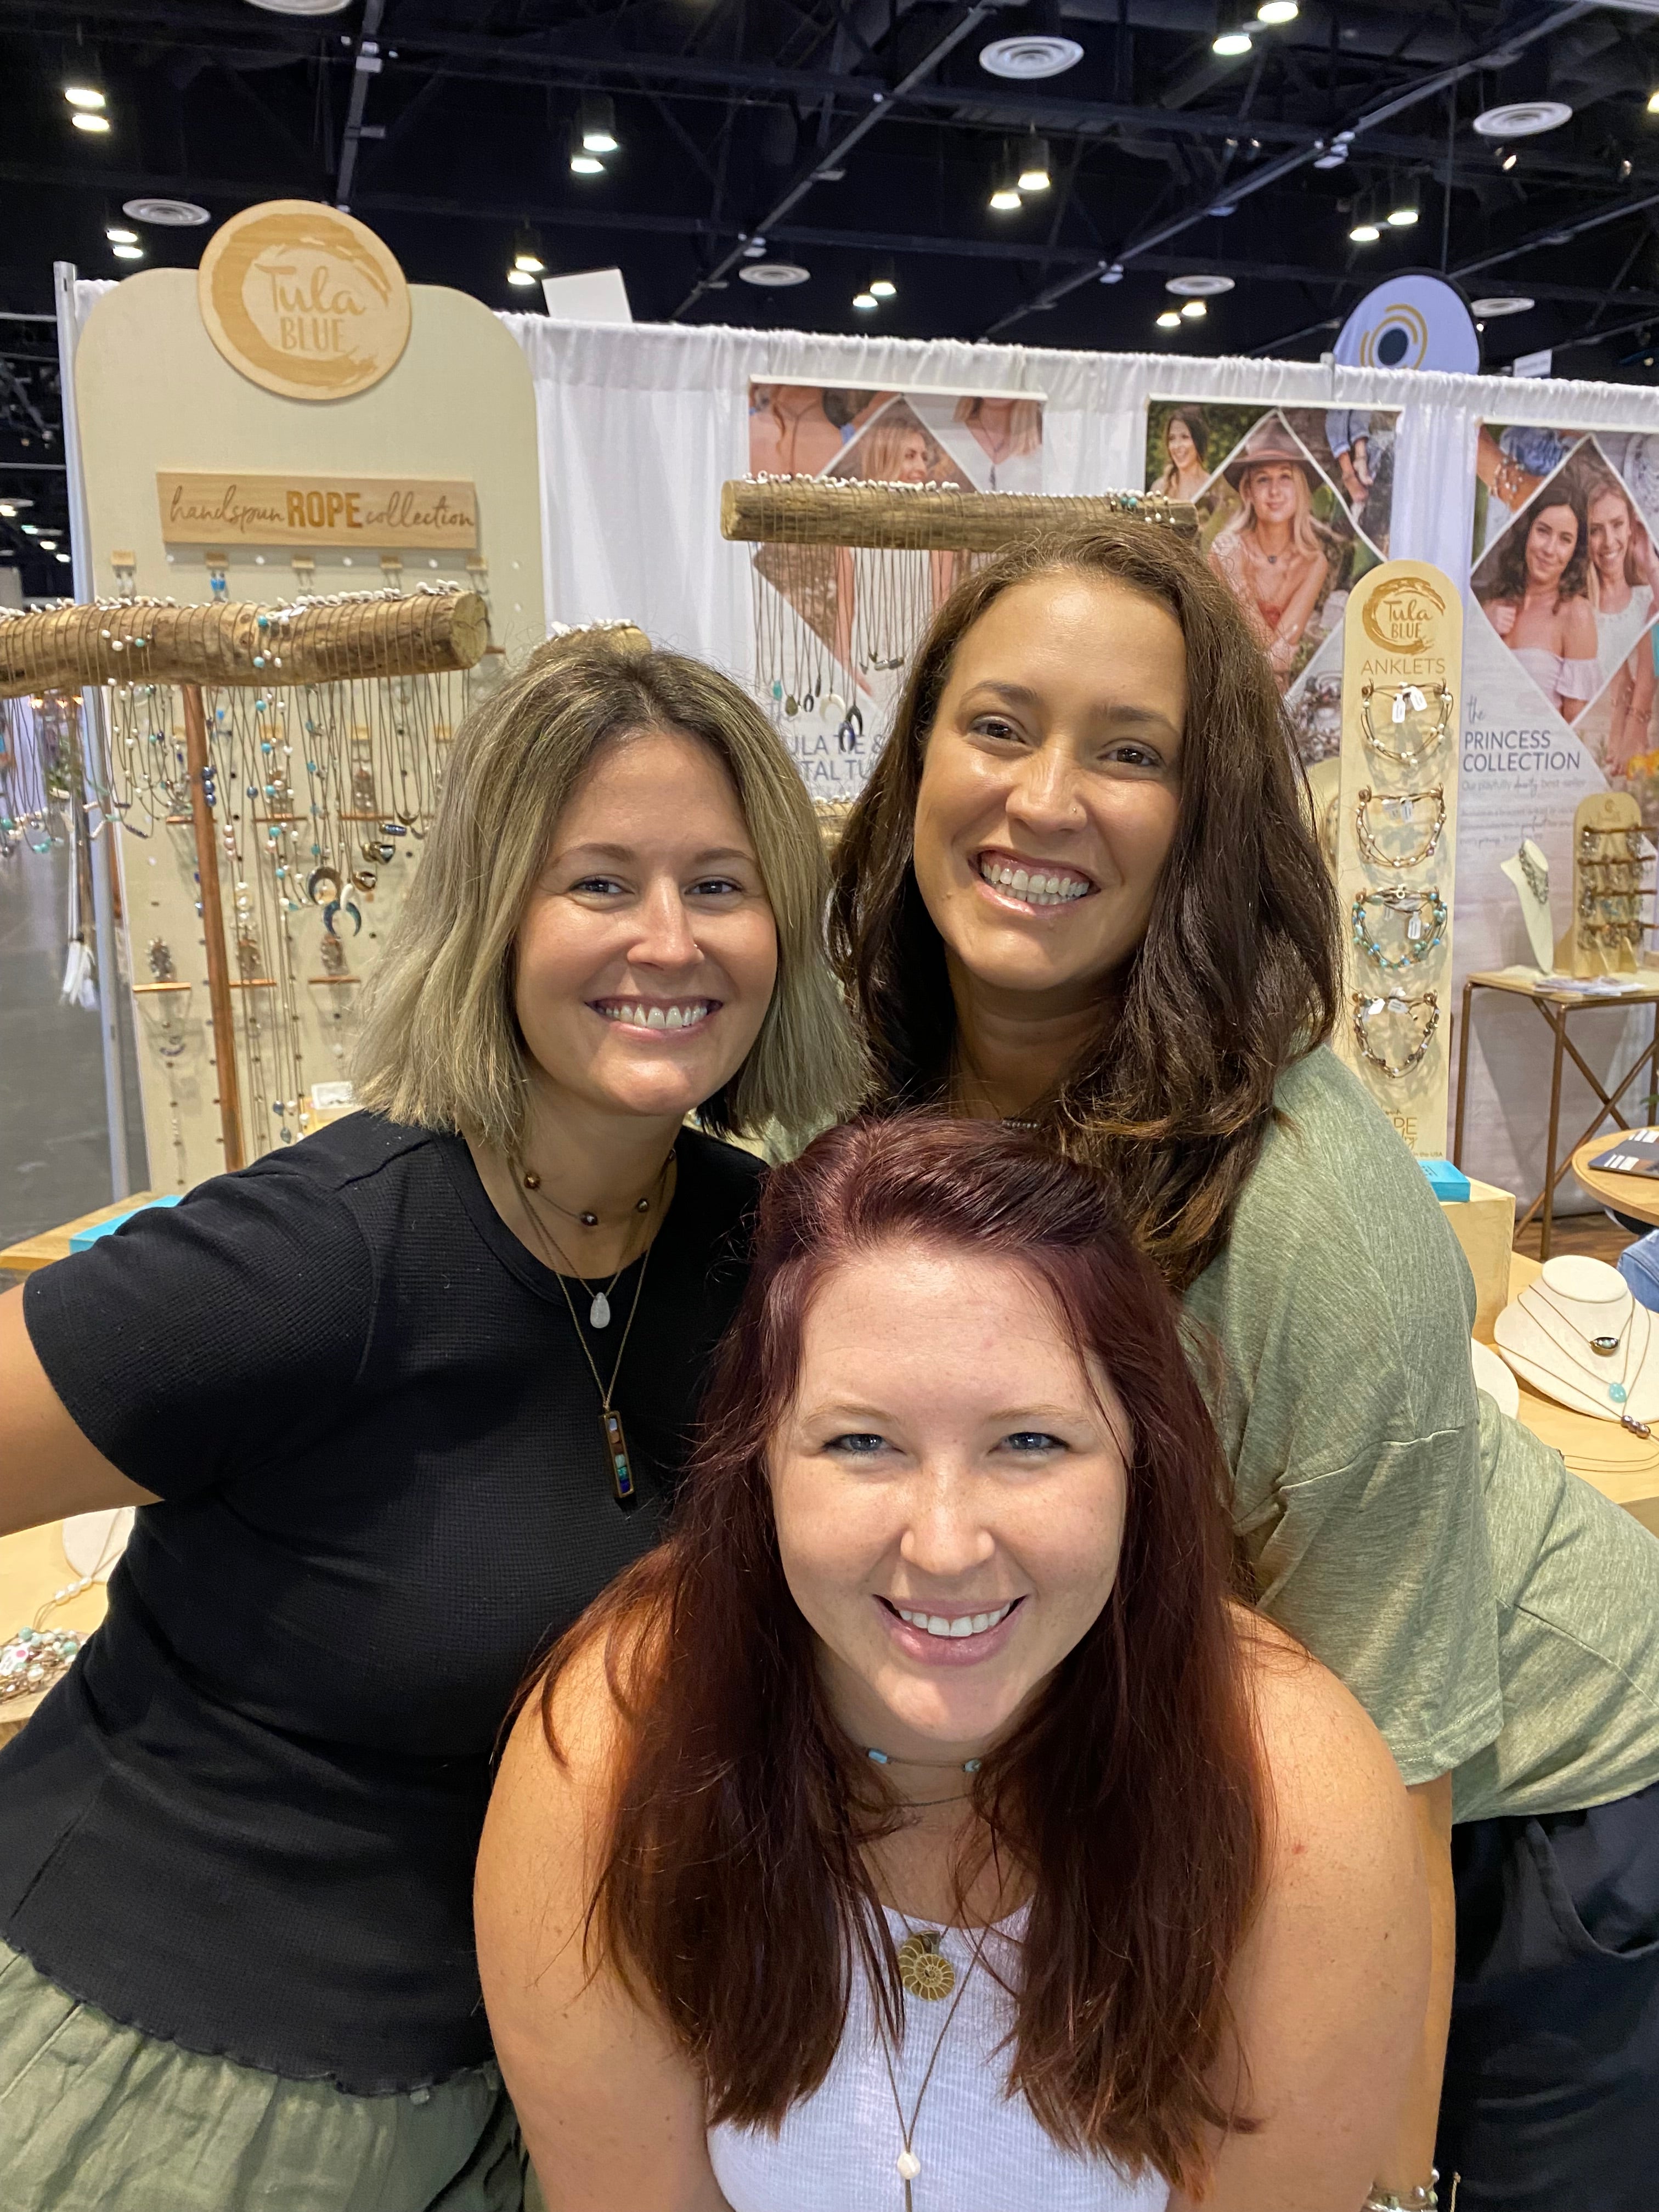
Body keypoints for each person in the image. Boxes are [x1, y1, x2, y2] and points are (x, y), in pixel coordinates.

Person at [828, 521, 1659, 2210]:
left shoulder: (1310, 1216)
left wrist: (1378, 2183)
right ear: (917, 757)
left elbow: (1391, 1766)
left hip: (1538, 1814)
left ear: (1205, 819)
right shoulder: (895, 1080)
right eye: (999, 726)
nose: (1044, 797)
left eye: (1129, 753)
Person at [0, 628, 860, 2211]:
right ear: (494, 915)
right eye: (598, 882)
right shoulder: (319, 1252)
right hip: (185, 2090)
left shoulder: (765, 1256)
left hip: (545, 2086)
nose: (668, 938)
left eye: (720, 885)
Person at [477, 1116, 1429, 2210]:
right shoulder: (613, 1753)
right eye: (860, 1442)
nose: (943, 1545)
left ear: (1139, 1457)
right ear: (761, 1461)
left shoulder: (1294, 1796)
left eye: (1030, 1441)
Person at [1206, 418, 1339, 689]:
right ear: (1248, 492)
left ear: (1300, 488)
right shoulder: (1224, 550)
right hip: (1225, 689)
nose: (1275, 491)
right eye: (1263, 479)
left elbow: (1280, 660)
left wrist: (1238, 582)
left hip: (1276, 695)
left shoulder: (1313, 562)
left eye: (1285, 477)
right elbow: (1213, 647)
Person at [1477, 486, 1600, 723]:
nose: (1549, 550)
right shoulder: (1493, 605)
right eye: (1543, 532)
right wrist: (1482, 626)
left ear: (1575, 551)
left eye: (1565, 540)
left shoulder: (1576, 614)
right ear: (1527, 532)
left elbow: (1575, 727)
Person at [1581, 467, 1655, 692]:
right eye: (1595, 530)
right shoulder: (1578, 612)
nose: (1609, 541)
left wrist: (1651, 565)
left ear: (1632, 527)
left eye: (1617, 524)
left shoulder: (1650, 599)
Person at [1153, 407, 1211, 504]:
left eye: (1185, 437)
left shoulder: (1213, 489)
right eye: (1172, 438)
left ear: (1198, 441)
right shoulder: (1159, 488)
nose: (1177, 446)